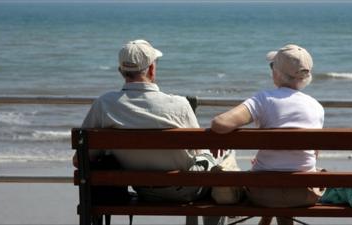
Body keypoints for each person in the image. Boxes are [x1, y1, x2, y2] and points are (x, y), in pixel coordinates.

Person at [74, 39, 228, 225]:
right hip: (185, 190)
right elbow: (197, 151)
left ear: (121, 72)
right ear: (151, 69)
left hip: (143, 190)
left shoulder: (104, 104)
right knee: (224, 157)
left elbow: (79, 160)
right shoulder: (178, 104)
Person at [210, 44, 325, 225]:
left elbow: (220, 123)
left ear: (277, 72)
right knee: (287, 179)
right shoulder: (316, 107)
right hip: (304, 194)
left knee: (268, 179)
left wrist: (219, 137)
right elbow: (313, 155)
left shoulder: (264, 99)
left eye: (272, 66)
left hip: (262, 193)